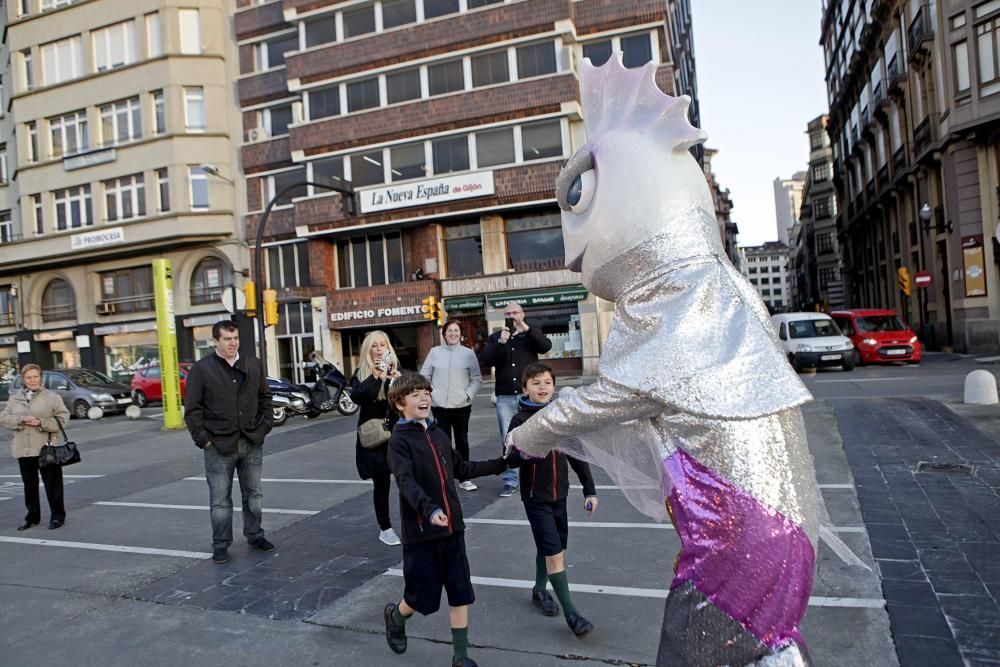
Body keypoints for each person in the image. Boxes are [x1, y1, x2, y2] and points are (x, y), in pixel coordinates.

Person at [382, 372, 510, 667]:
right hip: (423, 532)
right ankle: (396, 616)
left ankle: (460, 657)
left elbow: (461, 468)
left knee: (459, 591)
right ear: (400, 404)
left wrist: (502, 463)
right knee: (419, 598)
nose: (424, 397)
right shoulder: (399, 442)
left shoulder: (438, 433)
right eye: (415, 394)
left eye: (426, 392)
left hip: (453, 529)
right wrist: (428, 509)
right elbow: (406, 482)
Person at [506, 363, 598, 638]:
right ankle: (572, 615)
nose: (542, 387)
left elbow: (576, 454)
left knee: (554, 546)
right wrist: (528, 449)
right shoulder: (520, 420)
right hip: (535, 497)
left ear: (553, 386)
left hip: (560, 494)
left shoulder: (561, 416)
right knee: (554, 552)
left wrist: (589, 490)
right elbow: (509, 457)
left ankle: (538, 589)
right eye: (535, 383)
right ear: (525, 389)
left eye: (547, 382)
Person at [184, 320, 274, 565]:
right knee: (220, 501)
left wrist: (264, 428)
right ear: (216, 341)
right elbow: (192, 410)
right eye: (227, 339)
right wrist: (204, 441)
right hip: (218, 446)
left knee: (254, 495)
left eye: (235, 338)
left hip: (251, 442)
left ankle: (255, 535)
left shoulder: (252, 364)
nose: (232, 343)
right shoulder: (202, 369)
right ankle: (221, 545)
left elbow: (265, 398)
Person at [482, 301, 551, 497]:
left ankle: (538, 475)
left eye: (516, 312)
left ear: (523, 314)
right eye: (508, 313)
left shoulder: (531, 334)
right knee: (508, 439)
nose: (513, 316)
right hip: (505, 397)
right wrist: (501, 342)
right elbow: (487, 360)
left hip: (528, 396)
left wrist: (526, 329)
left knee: (537, 433)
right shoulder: (496, 337)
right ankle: (510, 480)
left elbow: (545, 346)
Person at [0, 364, 71, 530]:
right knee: (29, 484)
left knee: (53, 484)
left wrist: (41, 423)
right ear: (23, 379)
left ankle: (57, 516)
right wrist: (20, 420)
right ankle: (32, 517)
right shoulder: (14, 398)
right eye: (28, 377)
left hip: (46, 447)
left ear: (41, 377)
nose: (33, 380)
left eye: (36, 376)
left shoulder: (52, 397)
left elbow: (63, 419)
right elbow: (3, 418)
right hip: (23, 448)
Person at [351, 330, 402, 546]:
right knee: (381, 484)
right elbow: (359, 397)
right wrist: (376, 376)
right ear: (368, 350)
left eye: (383, 344)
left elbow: (404, 401)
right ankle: (385, 527)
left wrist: (394, 381)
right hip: (376, 439)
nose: (380, 349)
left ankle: (416, 519)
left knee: (407, 478)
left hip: (398, 435)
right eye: (375, 345)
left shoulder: (397, 373)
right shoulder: (362, 375)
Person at [419, 320, 482, 491]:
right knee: (442, 441)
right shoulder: (434, 352)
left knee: (462, 441)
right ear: (444, 334)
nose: (452, 334)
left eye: (456, 331)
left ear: (460, 334)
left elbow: (476, 379)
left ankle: (464, 477)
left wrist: (467, 395)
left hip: (462, 405)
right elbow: (424, 375)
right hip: (440, 406)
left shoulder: (468, 354)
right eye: (449, 331)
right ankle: (445, 477)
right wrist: (431, 394)